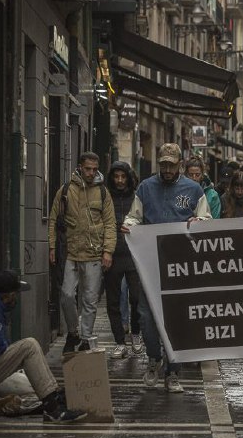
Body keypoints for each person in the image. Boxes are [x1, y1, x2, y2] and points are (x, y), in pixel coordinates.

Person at [122, 143, 212, 393]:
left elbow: (206, 219)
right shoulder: (146, 187)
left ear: (179, 165)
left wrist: (198, 221)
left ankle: (173, 371)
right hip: (150, 262)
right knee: (147, 317)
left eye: (172, 165)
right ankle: (153, 359)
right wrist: (129, 225)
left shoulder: (194, 190)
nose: (167, 169)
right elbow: (135, 216)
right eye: (163, 164)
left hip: (181, 265)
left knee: (177, 318)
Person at [0, 270, 87, 423]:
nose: (16, 298)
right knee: (29, 346)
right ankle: (53, 408)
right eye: (15, 294)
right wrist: (7, 348)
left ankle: (54, 397)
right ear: (7, 295)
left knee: (28, 358)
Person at [48, 151, 116, 353]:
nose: (91, 173)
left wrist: (108, 251)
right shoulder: (66, 190)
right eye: (88, 169)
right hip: (70, 252)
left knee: (90, 299)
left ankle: (85, 337)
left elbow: (110, 224)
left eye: (95, 169)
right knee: (67, 295)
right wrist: (52, 247)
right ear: (80, 167)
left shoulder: (103, 192)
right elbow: (53, 220)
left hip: (94, 254)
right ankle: (73, 332)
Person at [104, 161, 143, 359]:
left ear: (128, 177)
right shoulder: (106, 196)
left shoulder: (137, 197)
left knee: (136, 298)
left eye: (123, 176)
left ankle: (136, 333)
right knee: (113, 301)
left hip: (133, 254)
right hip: (111, 253)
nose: (119, 181)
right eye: (116, 177)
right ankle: (119, 341)